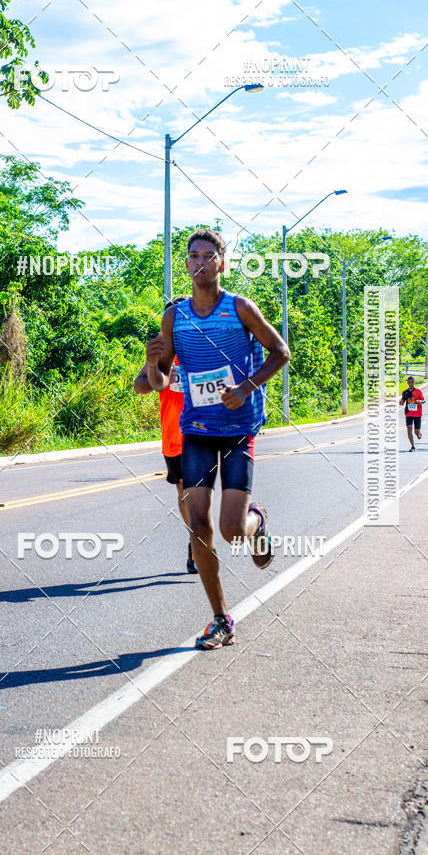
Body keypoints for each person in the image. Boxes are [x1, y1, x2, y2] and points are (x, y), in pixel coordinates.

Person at [144, 228, 290, 650]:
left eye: (210, 255)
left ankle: (255, 521)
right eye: (194, 256)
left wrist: (246, 387)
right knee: (198, 523)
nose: (201, 261)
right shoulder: (175, 316)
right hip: (197, 431)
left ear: (222, 263)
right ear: (186, 264)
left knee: (230, 530)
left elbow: (280, 351)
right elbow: (162, 380)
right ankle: (221, 619)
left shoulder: (240, 308)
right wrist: (155, 364)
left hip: (239, 429)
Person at [134, 297, 198, 574]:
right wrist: (157, 371)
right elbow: (139, 386)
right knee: (184, 492)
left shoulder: (204, 349)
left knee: (199, 493)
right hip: (173, 436)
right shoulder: (162, 353)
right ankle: (196, 541)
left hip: (204, 431)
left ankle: (200, 541)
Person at [399, 376, 424, 452]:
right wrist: (401, 402)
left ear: (414, 382)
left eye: (412, 382)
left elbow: (423, 400)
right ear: (407, 383)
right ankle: (412, 446)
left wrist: (420, 401)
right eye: (409, 382)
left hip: (417, 414)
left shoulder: (418, 391)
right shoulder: (405, 392)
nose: (410, 384)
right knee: (409, 430)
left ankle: (419, 434)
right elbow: (402, 401)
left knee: (416, 432)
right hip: (409, 413)